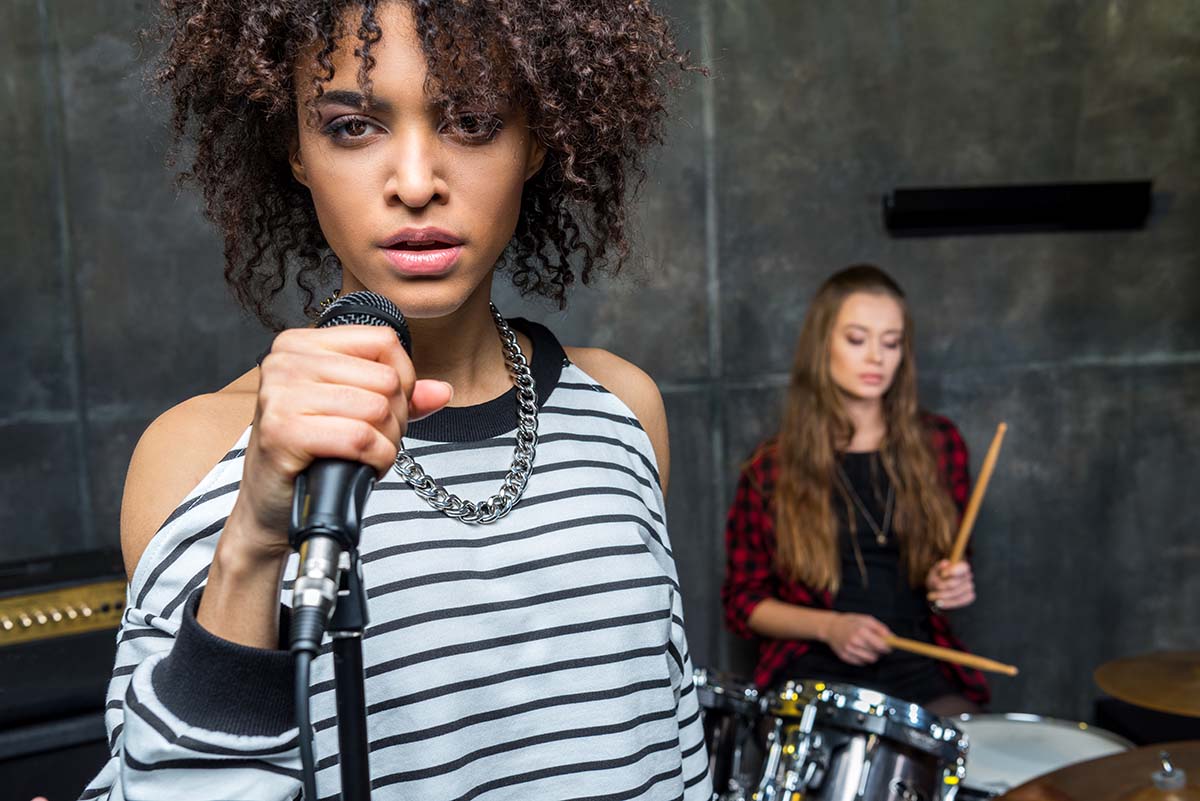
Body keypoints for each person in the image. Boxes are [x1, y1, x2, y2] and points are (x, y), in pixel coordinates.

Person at [81, 2, 710, 799]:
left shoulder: (623, 410)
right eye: (352, 127)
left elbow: (675, 748)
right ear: (296, 151)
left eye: (473, 120)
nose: (416, 183)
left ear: (539, 137)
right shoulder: (196, 454)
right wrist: (254, 542)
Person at [721, 264, 989, 717]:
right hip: (814, 669)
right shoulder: (772, 467)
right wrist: (830, 627)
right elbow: (742, 604)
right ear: (822, 345)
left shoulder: (942, 444)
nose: (876, 358)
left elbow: (952, 562)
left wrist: (952, 581)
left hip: (918, 662)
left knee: (970, 766)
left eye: (891, 343)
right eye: (857, 339)